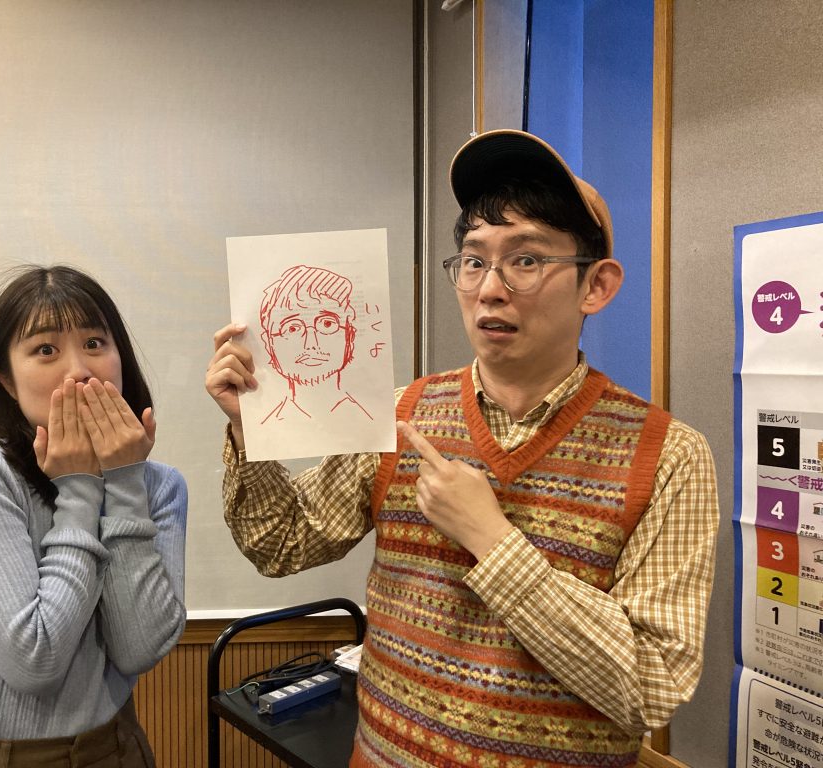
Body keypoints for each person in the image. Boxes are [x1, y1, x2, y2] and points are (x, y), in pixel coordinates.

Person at [204, 130, 718, 767]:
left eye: (526, 260)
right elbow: (282, 544)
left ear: (596, 285)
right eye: (474, 261)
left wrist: (493, 542)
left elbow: (651, 685)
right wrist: (248, 430)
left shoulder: (669, 456)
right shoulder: (401, 415)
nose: (490, 289)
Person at [0, 265, 186, 768]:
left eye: (94, 343)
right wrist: (80, 487)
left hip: (115, 747)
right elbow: (34, 662)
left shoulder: (160, 485)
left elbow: (136, 649)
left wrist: (123, 481)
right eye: (45, 350)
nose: (79, 370)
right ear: (5, 376)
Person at [258, 263, 370, 422]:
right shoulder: (265, 423)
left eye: (327, 324)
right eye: (292, 328)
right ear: (269, 343)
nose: (311, 344)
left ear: (350, 336)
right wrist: (240, 428)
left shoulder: (375, 421)